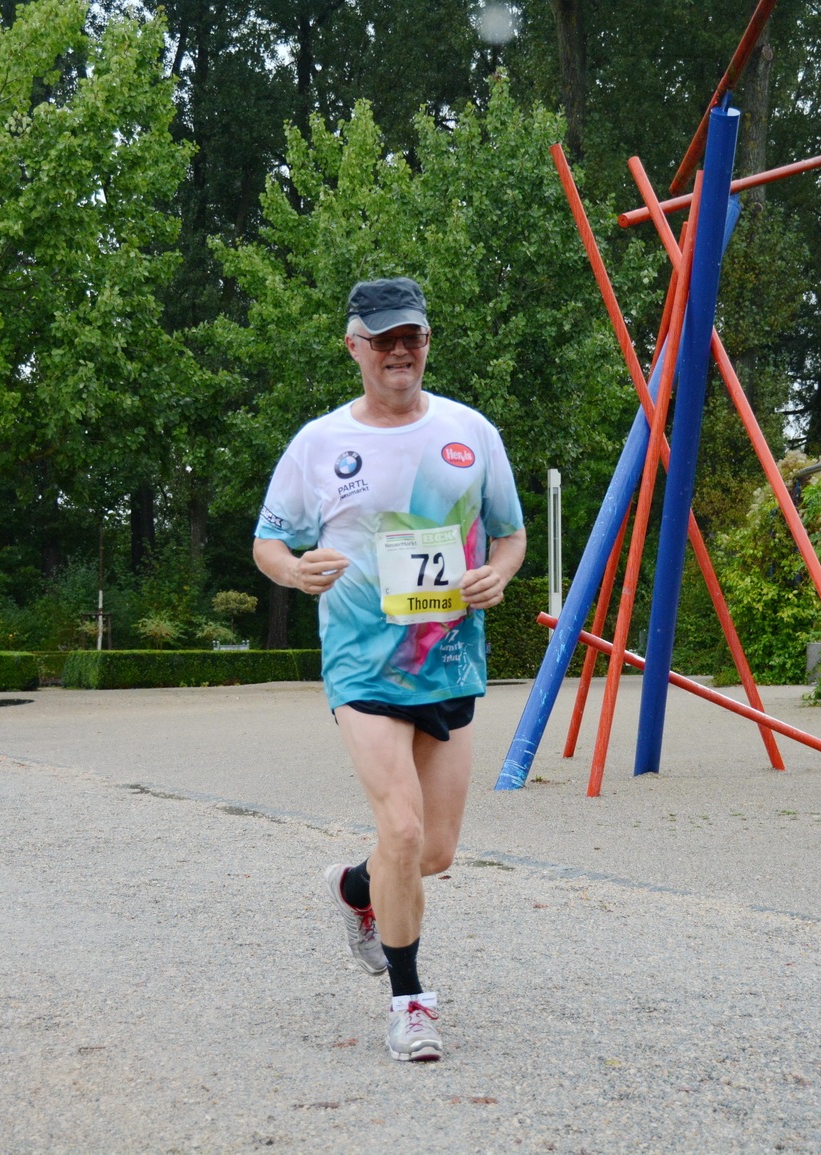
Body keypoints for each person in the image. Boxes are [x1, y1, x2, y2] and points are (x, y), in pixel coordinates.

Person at [253, 277, 525, 1062]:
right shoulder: (317, 444)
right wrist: (293, 570)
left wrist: (499, 574)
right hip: (362, 665)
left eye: (411, 335)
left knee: (432, 852)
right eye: (383, 338)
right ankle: (410, 1001)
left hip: (449, 662)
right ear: (355, 347)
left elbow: (509, 535)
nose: (399, 350)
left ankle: (355, 887)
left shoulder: (472, 433)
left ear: (427, 341)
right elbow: (269, 541)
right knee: (399, 829)